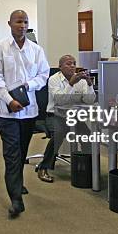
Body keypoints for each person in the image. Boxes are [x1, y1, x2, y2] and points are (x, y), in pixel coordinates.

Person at [0, 10, 50, 219]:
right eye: (18, 21)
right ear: (10, 23)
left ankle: (18, 183)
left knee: (22, 151)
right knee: (12, 153)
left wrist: (28, 85)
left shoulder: (36, 50)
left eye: (25, 22)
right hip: (7, 112)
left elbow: (43, 75)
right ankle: (16, 199)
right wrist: (10, 100)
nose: (22, 25)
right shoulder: (0, 48)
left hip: (29, 110)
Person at [36, 54, 95, 183]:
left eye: (74, 63)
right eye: (68, 63)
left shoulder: (82, 80)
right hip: (55, 115)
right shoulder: (53, 79)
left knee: (88, 136)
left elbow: (90, 100)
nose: (72, 66)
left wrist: (90, 84)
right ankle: (43, 167)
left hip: (73, 117)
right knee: (58, 135)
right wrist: (71, 84)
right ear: (60, 66)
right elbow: (60, 100)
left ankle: (88, 167)